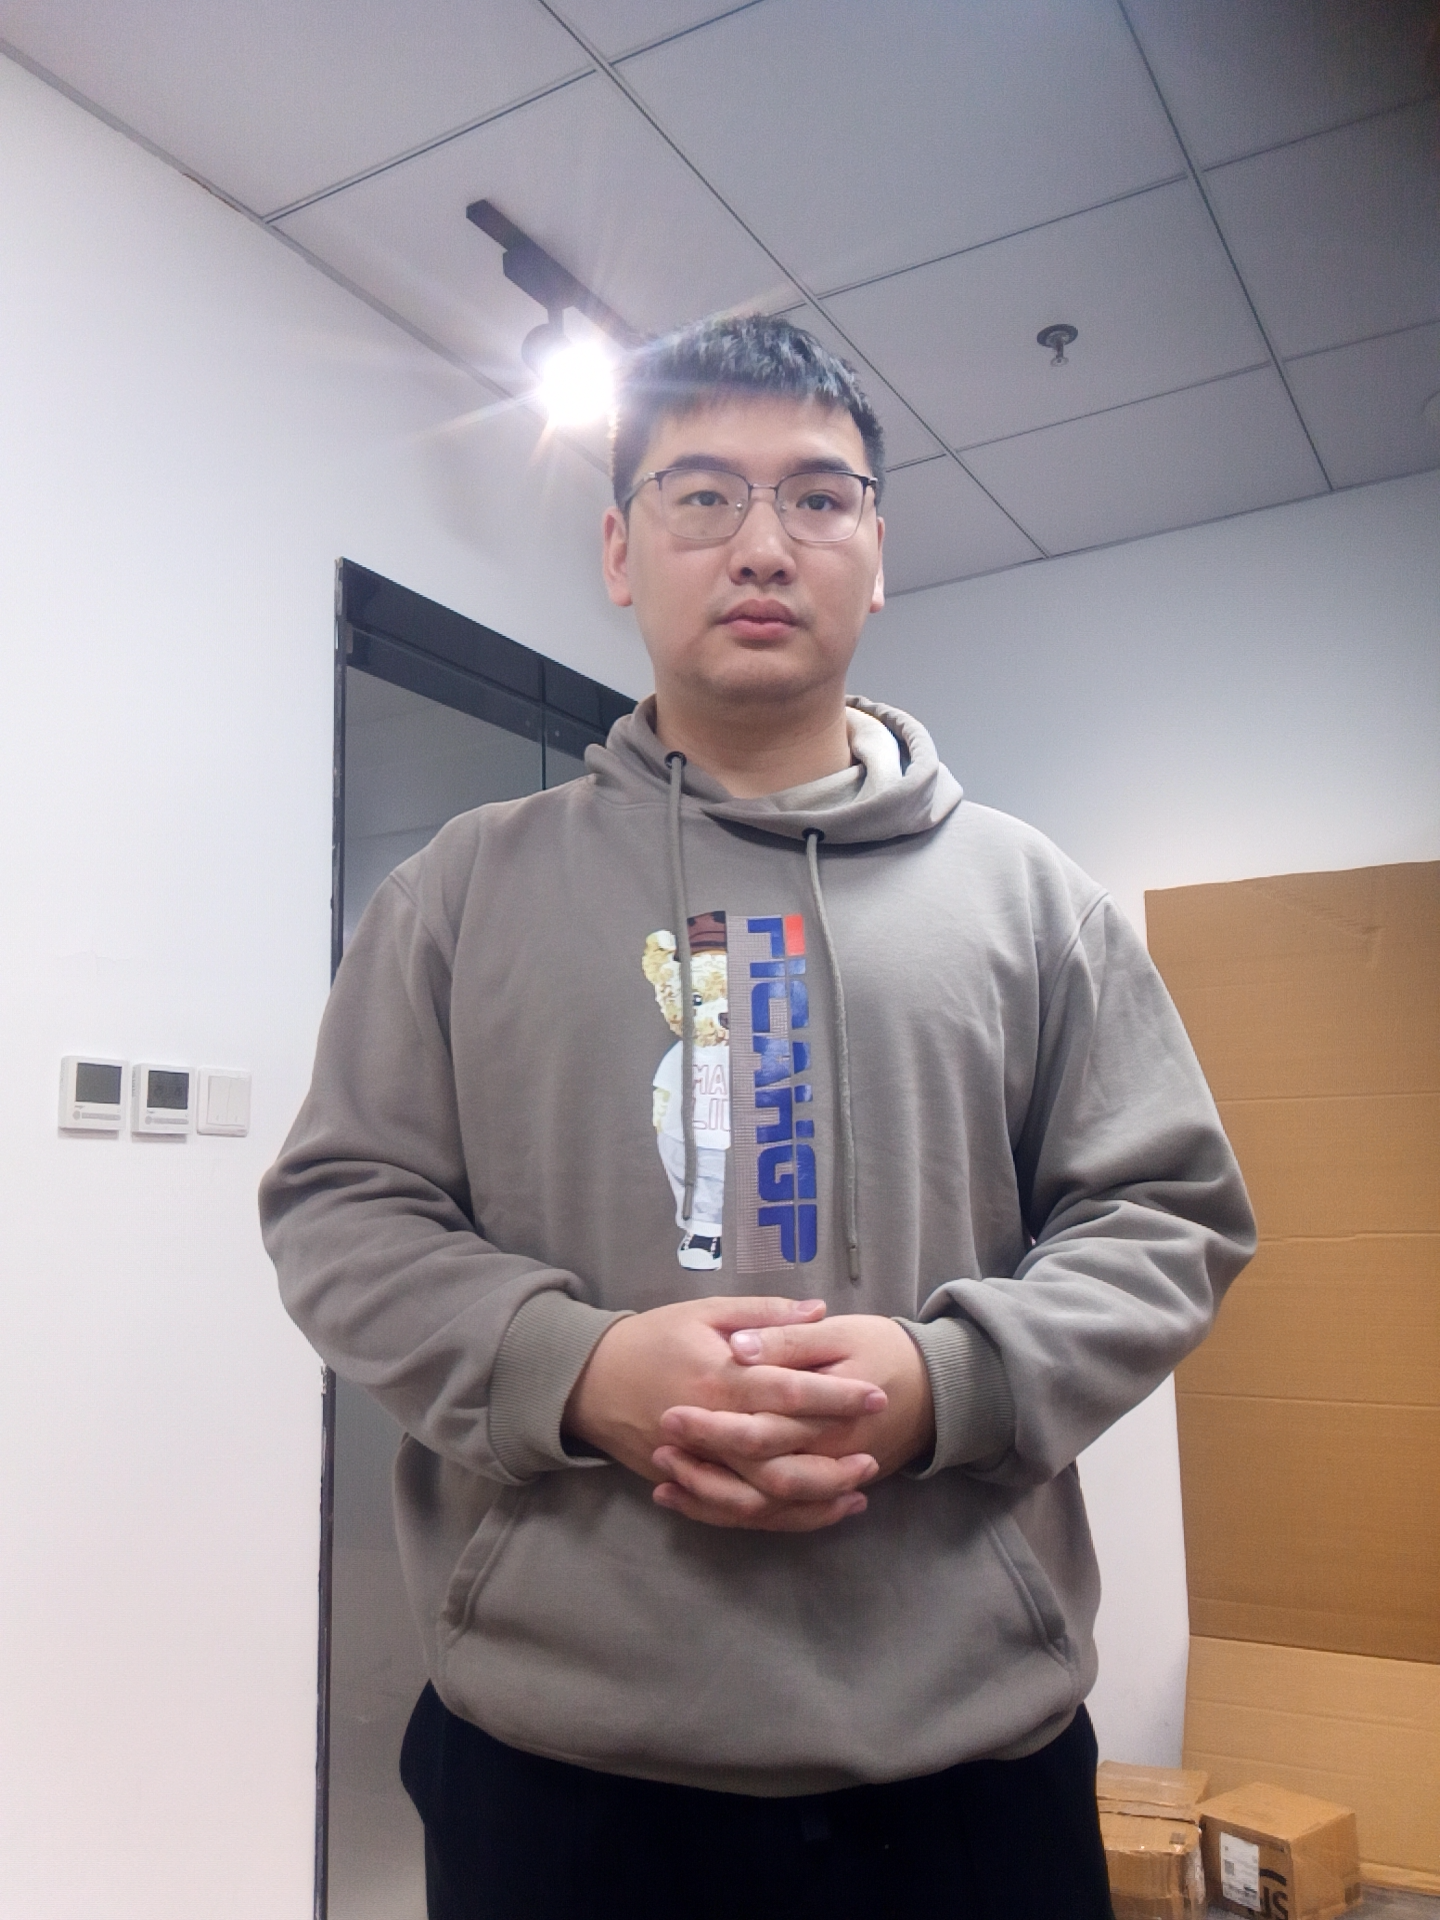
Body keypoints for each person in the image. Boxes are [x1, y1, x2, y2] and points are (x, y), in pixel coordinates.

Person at [260, 314, 1255, 1919]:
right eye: (703, 494)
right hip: (555, 1774)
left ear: (879, 550)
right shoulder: (462, 892)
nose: (763, 544)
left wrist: (948, 1382)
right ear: (620, 547)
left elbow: (1168, 1217)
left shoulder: (1033, 901)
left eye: (818, 496)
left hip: (963, 1766)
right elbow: (341, 1209)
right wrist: (574, 1370)